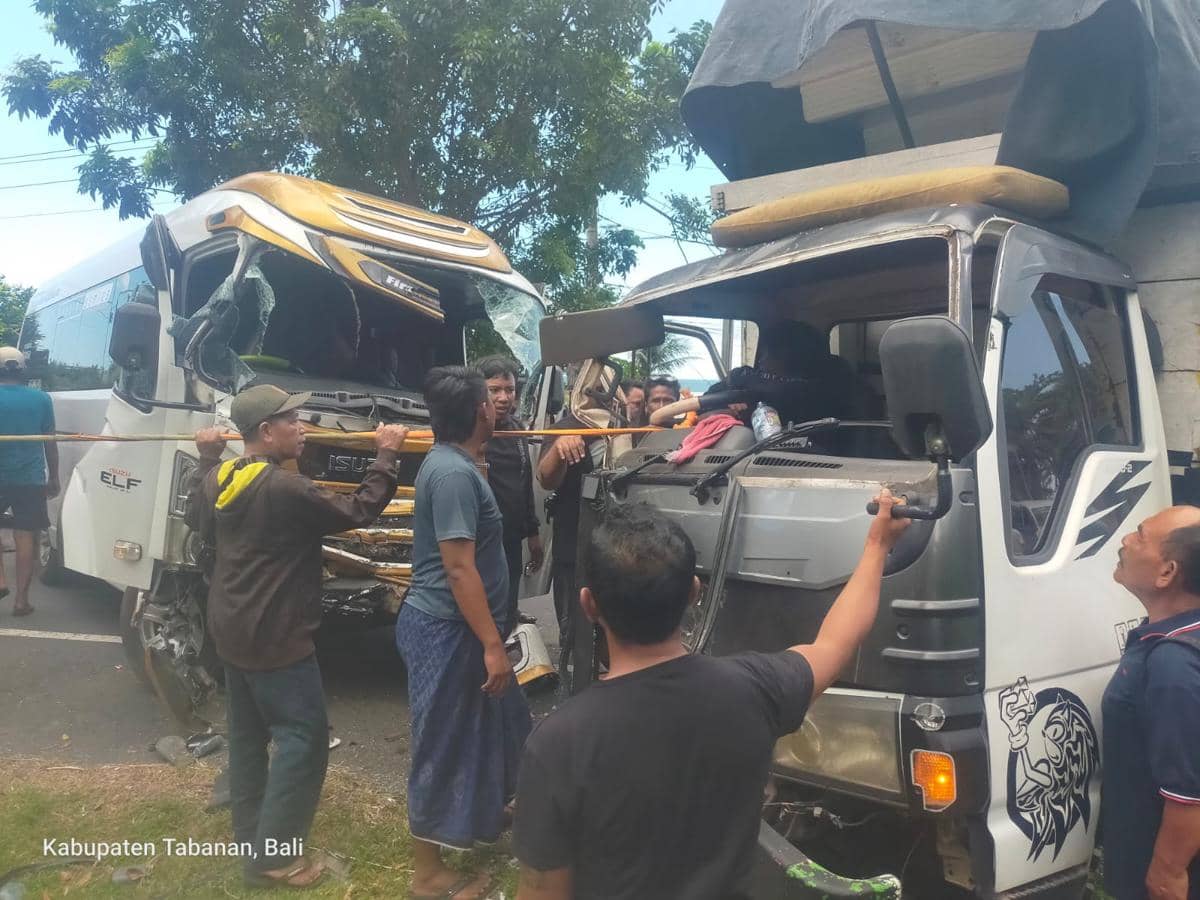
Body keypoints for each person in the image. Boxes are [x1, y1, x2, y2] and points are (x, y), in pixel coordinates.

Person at [513, 491, 909, 900]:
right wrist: (877, 546)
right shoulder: (755, 688)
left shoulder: (557, 745)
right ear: (694, 593)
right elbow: (836, 643)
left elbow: (542, 891)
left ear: (589, 605)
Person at [186, 385, 408, 890]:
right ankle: (278, 857)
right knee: (304, 741)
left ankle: (253, 841)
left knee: (246, 740)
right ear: (266, 432)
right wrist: (387, 454)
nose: (303, 427)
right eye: (293, 419)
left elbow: (199, 520)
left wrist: (205, 456)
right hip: (275, 637)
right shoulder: (289, 490)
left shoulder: (221, 477)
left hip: (232, 629)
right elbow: (359, 512)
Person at [395, 366, 532, 900]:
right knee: (441, 742)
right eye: (490, 399)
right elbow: (458, 569)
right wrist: (493, 646)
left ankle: (485, 814)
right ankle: (427, 874)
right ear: (479, 409)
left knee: (505, 724)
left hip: (466, 629)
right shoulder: (452, 474)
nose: (499, 405)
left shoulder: (460, 465)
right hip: (447, 631)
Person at [1102, 505, 1200, 900]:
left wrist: (1167, 872)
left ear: (1167, 573)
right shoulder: (1172, 639)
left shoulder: (1174, 661)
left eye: (1139, 536)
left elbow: (1189, 793)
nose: (1125, 541)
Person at [478, 355, 543, 630]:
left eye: (510, 389)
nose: (504, 398)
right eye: (494, 390)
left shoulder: (517, 429)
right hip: (483, 535)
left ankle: (511, 615)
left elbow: (524, 479)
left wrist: (533, 532)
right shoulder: (474, 431)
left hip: (513, 532)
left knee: (511, 579)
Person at [537, 407, 602, 675]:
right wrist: (560, 448)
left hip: (617, 553)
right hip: (573, 550)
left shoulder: (630, 425)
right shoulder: (564, 428)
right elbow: (546, 479)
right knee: (575, 631)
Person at [0, 347, 58, 617]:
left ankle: (0, 581)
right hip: (31, 479)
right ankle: (21, 601)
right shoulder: (42, 399)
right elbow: (50, 443)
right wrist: (54, 476)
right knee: (25, 537)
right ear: (22, 371)